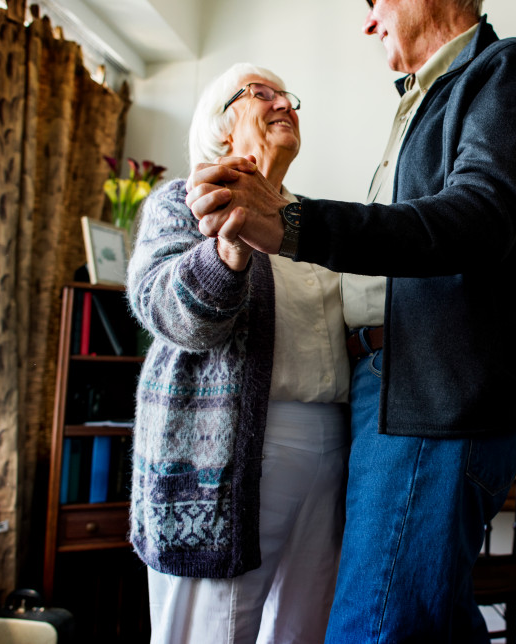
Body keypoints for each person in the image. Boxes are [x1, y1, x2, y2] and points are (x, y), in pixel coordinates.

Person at [186, 0, 516, 640]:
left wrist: (293, 221)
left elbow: (477, 219)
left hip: (431, 393)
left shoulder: (507, 70)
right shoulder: (422, 99)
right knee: (419, 617)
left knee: (377, 624)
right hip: (387, 395)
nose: (366, 18)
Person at [127, 63, 350, 644]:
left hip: (329, 449)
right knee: (211, 632)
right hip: (225, 454)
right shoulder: (184, 203)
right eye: (262, 93)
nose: (284, 103)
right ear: (220, 127)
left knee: (304, 630)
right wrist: (227, 248)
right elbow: (170, 313)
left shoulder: (308, 220)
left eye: (288, 95)